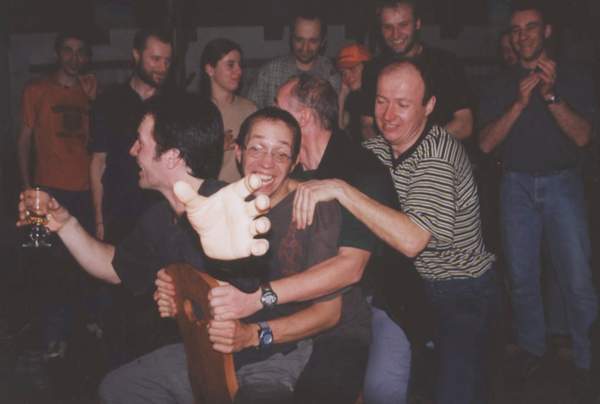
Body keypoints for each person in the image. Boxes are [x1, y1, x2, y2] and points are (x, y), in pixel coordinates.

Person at [162, 73, 428, 403]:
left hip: (353, 315)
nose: (268, 160)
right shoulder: (282, 177)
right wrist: (178, 286)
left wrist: (261, 300)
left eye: (276, 103)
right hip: (292, 320)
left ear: (301, 119)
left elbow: (350, 270)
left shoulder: (356, 170)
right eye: (256, 147)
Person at [103, 106, 342, 404]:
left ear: (294, 163)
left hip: (276, 351)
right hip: (214, 350)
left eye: (281, 154)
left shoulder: (314, 209)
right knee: (120, 388)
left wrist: (253, 334)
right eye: (256, 148)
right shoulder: (219, 206)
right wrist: (174, 293)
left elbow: (328, 313)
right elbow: (205, 288)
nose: (267, 162)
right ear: (238, 153)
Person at [291, 61, 497, 403]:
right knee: (382, 389)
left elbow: (412, 240)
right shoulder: (378, 148)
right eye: (381, 101)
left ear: (429, 106)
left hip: (459, 287)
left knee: (454, 393)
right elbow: (334, 151)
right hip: (406, 287)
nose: (388, 115)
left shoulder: (436, 155)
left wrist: (341, 189)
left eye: (402, 104)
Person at [478, 1, 598, 392]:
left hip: (564, 184)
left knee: (577, 277)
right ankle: (533, 351)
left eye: (530, 27)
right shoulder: (500, 82)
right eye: (516, 30)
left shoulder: (575, 76)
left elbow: (583, 137)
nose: (523, 35)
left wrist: (550, 96)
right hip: (515, 186)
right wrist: (519, 103)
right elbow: (485, 143)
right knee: (522, 277)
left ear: (546, 31)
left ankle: (589, 359)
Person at [17, 27, 96, 358]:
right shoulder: (36, 90)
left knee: (84, 263)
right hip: (47, 191)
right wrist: (28, 187)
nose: (74, 58)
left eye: (80, 52)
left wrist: (93, 100)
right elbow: (24, 141)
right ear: (57, 53)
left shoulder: (90, 92)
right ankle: (52, 334)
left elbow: (97, 144)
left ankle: (84, 326)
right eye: (68, 50)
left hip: (84, 191)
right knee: (47, 264)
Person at [90, 27, 173, 243]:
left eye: (167, 61)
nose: (162, 68)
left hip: (161, 213)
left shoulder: (173, 105)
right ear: (136, 55)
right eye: (155, 59)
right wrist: (99, 220)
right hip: (118, 212)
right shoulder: (109, 101)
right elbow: (98, 162)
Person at [360, 0, 473, 140]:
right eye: (388, 27)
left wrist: (417, 149)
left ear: (417, 24)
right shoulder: (373, 69)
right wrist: (382, 151)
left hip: (439, 150)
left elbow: (464, 124)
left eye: (403, 25)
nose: (395, 35)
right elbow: (366, 125)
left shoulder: (445, 64)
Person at [245, 7, 340, 109]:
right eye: (299, 40)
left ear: (323, 42)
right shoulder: (268, 72)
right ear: (291, 38)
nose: (305, 48)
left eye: (313, 41)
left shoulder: (331, 75)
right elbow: (249, 110)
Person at [199, 38, 257, 183]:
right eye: (230, 65)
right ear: (210, 69)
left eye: (239, 65)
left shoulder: (250, 109)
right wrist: (214, 148)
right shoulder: (195, 112)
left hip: (244, 191)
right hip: (206, 192)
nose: (239, 71)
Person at [335, 43, 373, 142]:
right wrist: (342, 96)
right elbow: (341, 127)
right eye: (343, 73)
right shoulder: (354, 99)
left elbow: (368, 130)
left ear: (366, 67)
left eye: (352, 69)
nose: (347, 76)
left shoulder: (378, 95)